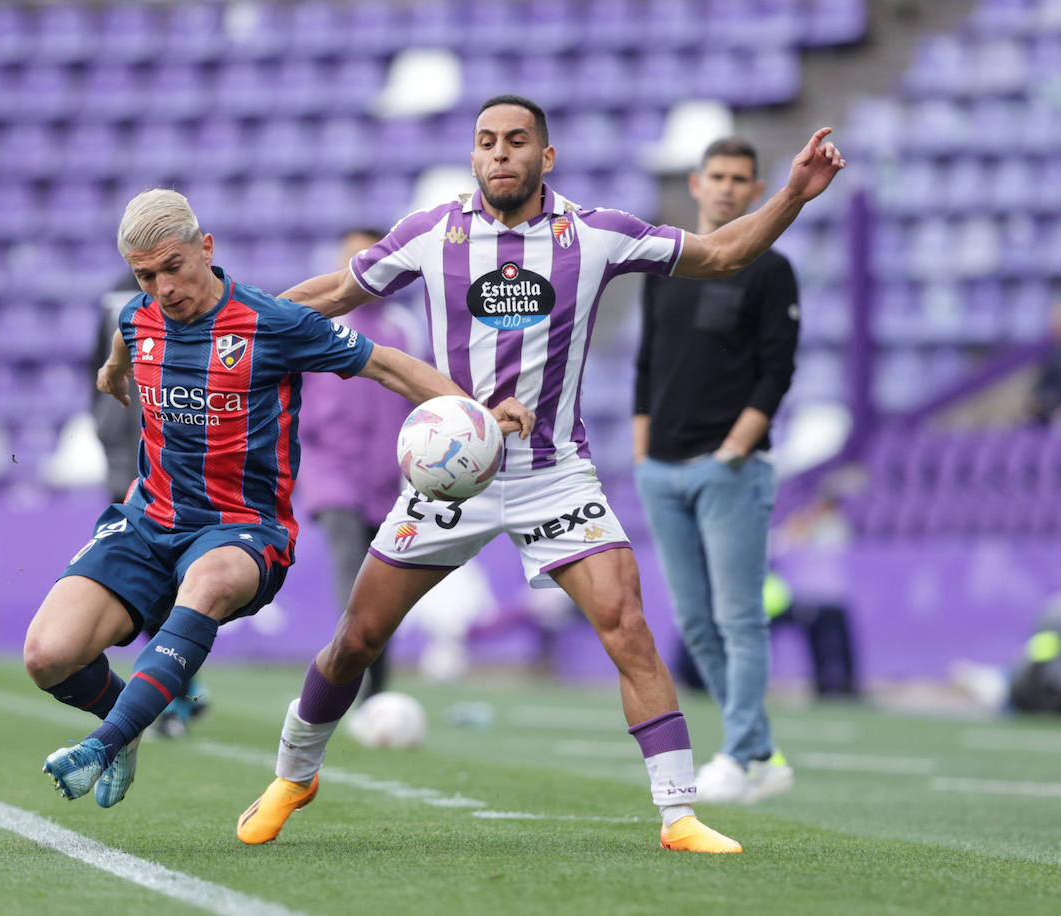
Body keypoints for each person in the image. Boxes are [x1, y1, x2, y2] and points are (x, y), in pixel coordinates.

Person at [236, 95, 844, 854]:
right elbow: (335, 293)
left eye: (516, 141)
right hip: (447, 475)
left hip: (553, 474)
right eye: (486, 142)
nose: (499, 154)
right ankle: (294, 774)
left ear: (544, 157)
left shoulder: (593, 233)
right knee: (357, 637)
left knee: (627, 625)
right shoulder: (432, 233)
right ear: (473, 156)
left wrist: (790, 195)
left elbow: (722, 254)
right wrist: (234, 329)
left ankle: (679, 814)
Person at [22, 189, 532, 809]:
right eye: (145, 275)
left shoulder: (271, 323)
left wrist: (473, 413)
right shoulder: (139, 315)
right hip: (148, 517)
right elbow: (126, 342)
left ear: (205, 248)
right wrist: (111, 372)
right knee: (46, 656)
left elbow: (391, 366)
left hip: (242, 530)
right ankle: (128, 726)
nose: (162, 287)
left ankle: (103, 744)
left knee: (205, 586)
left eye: (173, 267)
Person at [631, 137, 800, 804]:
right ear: (697, 185)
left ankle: (740, 750)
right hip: (662, 470)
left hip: (730, 469)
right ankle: (757, 748)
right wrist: (643, 453)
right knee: (695, 621)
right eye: (717, 176)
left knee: (738, 617)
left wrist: (736, 446)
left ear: (757, 192)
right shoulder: (666, 268)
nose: (727, 187)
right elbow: (646, 365)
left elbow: (777, 369)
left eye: (740, 179)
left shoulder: (770, 269)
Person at [300, 227, 426, 702]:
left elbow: (423, 395)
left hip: (389, 478)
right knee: (351, 573)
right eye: (350, 256)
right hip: (330, 473)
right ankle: (346, 685)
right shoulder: (315, 323)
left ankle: (377, 684)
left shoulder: (406, 328)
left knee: (382, 583)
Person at [89, 274, 211, 737]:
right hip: (127, 460)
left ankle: (178, 692)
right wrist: (106, 429)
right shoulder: (116, 302)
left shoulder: (195, 300)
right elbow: (97, 371)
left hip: (174, 464)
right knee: (150, 587)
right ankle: (179, 692)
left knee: (175, 586)